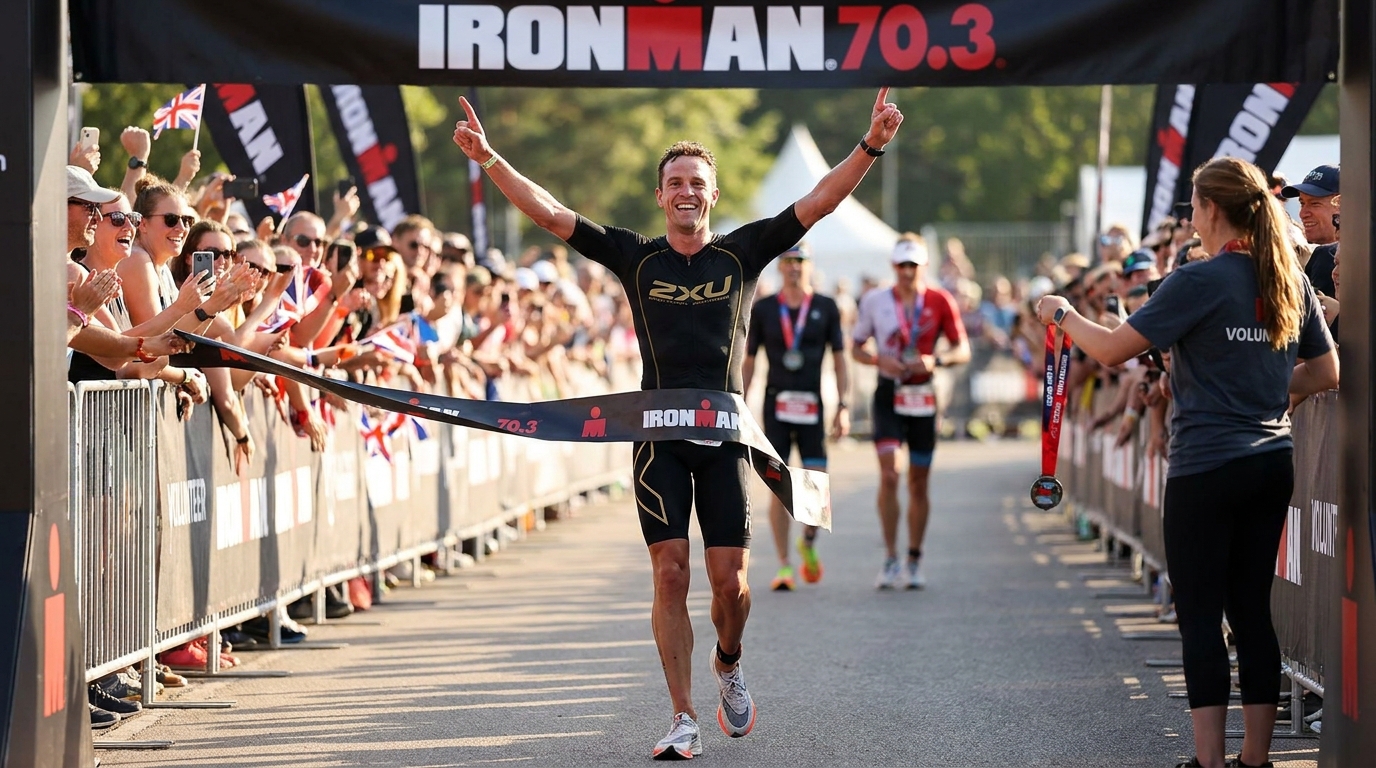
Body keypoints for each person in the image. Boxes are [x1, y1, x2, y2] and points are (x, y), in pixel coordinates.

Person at [452, 88, 902, 759]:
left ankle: (729, 662)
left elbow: (820, 201)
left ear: (712, 194)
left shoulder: (743, 253)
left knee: (731, 587)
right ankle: (683, 715)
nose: (686, 192)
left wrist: (870, 146)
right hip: (657, 438)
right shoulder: (635, 257)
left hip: (723, 440)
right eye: (675, 183)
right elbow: (549, 213)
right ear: (660, 196)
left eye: (696, 183)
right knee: (670, 573)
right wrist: (490, 159)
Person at [1034, 156, 1338, 768]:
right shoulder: (1287, 277)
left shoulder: (1198, 280)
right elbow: (1326, 370)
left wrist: (1062, 314)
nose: (1192, 218)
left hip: (1206, 464)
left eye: (1196, 206)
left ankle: (1209, 762)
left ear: (1213, 209)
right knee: (1252, 612)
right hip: (1271, 461)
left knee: (1200, 616)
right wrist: (1266, 393)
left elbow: (1114, 350)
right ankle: (1255, 760)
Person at [851, 235, 970, 590]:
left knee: (919, 481)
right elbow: (855, 347)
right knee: (890, 474)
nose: (907, 272)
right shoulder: (875, 300)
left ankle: (914, 558)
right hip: (889, 392)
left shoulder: (940, 300)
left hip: (923, 395)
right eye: (901, 265)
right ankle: (890, 558)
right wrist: (877, 360)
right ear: (893, 266)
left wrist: (937, 360)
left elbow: (962, 349)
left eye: (913, 266)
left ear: (924, 266)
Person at [742, 243, 849, 592]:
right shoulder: (764, 309)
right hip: (776, 407)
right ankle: (784, 564)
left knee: (816, 485)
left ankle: (808, 542)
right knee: (778, 487)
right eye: (788, 261)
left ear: (809, 266)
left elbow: (840, 359)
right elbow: (750, 360)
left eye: (800, 261)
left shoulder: (826, 307)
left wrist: (843, 405)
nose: (794, 267)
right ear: (779, 267)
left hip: (812, 408)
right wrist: (739, 402)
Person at [1280, 164, 1339, 296]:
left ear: (1341, 204)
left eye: (1314, 204)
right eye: (1302, 203)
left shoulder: (1326, 256)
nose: (1303, 214)